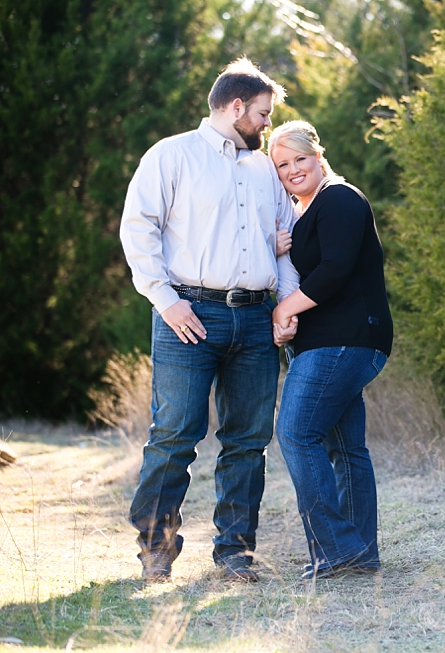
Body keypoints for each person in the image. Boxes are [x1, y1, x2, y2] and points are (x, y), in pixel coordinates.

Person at [119, 57, 300, 583]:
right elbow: (139, 229)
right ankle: (155, 549)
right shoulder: (173, 156)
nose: (268, 125)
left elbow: (283, 244)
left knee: (247, 440)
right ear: (236, 106)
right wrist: (165, 300)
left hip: (256, 320)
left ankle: (236, 555)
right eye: (263, 115)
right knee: (175, 432)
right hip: (187, 316)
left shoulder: (265, 170)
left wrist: (284, 308)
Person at [268, 120, 393, 579]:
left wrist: (284, 311)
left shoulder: (339, 197)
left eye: (300, 158)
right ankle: (360, 551)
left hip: (344, 341)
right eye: (283, 165)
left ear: (318, 156)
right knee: (346, 447)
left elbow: (336, 269)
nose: (293, 169)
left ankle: (337, 549)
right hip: (339, 340)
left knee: (297, 433)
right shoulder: (306, 213)